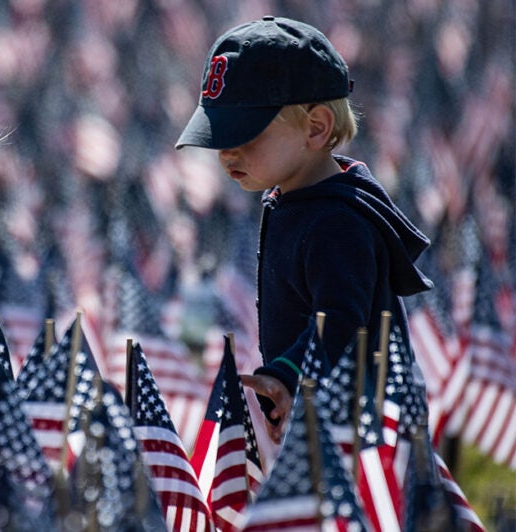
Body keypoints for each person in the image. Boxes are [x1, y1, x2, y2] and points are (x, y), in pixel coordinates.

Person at [176, 16, 433, 443]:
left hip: (361, 430)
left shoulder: (337, 221)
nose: (226, 152)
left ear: (316, 128)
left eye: (246, 134)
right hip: (322, 419)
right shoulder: (297, 202)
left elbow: (341, 323)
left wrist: (290, 374)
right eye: (220, 136)